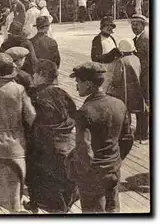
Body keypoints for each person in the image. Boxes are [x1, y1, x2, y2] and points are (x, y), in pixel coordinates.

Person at [66, 62, 129, 213]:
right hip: (113, 170)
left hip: (93, 175)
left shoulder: (84, 112)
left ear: (88, 84)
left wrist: (76, 172)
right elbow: (127, 139)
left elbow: (85, 151)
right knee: (113, 210)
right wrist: (116, 160)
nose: (76, 86)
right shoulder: (119, 104)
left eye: (78, 82)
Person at [0, 53, 36, 213]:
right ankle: (14, 212)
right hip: (15, 144)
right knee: (14, 184)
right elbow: (31, 117)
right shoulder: (19, 89)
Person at [24, 59, 78, 213]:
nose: (33, 76)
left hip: (42, 146)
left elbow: (27, 122)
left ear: (42, 74)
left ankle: (39, 204)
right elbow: (74, 115)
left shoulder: (33, 95)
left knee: (38, 178)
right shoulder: (62, 93)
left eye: (35, 73)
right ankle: (62, 207)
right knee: (63, 180)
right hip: (65, 145)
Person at [106, 38, 140, 159]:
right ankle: (130, 131)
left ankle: (124, 133)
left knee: (123, 113)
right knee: (130, 112)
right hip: (134, 92)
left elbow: (116, 79)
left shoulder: (121, 61)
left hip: (123, 92)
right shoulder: (136, 59)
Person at [130, 14, 149, 141]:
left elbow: (143, 63)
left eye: (136, 24)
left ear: (143, 25)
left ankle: (143, 133)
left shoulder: (144, 39)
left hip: (145, 77)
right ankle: (141, 131)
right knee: (141, 104)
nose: (134, 27)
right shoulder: (138, 38)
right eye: (132, 24)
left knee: (144, 105)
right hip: (142, 76)